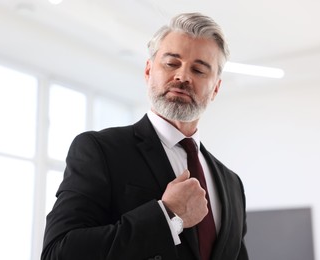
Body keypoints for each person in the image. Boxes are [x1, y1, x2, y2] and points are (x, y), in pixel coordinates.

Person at [41, 12, 248, 260]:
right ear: (148, 71)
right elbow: (59, 253)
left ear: (215, 88)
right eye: (171, 63)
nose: (182, 76)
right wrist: (167, 214)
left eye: (199, 70)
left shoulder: (232, 184)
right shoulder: (100, 150)